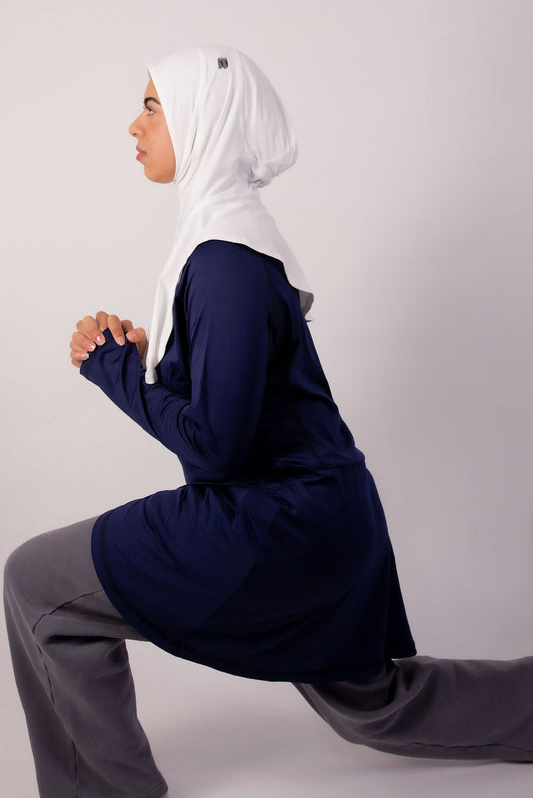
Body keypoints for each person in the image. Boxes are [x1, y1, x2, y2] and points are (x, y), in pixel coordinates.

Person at [3, 46, 533, 798]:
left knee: (38, 582)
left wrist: (112, 369)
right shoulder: (229, 244)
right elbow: (238, 402)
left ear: (204, 118)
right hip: (317, 517)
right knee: (379, 707)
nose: (134, 125)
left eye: (152, 106)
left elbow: (216, 449)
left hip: (275, 522)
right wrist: (151, 360)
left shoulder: (224, 259)